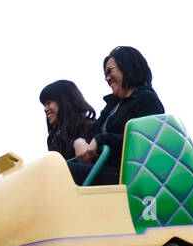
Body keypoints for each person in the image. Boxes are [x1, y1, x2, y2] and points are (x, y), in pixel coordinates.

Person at [69, 46, 164, 186]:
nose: (107, 78)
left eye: (109, 71)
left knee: (61, 173)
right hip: (100, 169)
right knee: (53, 169)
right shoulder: (111, 106)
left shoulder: (147, 99)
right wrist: (79, 141)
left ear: (127, 67)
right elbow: (91, 136)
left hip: (125, 176)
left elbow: (145, 141)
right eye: (105, 74)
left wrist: (102, 140)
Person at [40, 80, 96, 162]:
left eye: (48, 103)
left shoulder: (89, 126)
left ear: (64, 101)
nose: (45, 109)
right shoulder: (53, 138)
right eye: (44, 105)